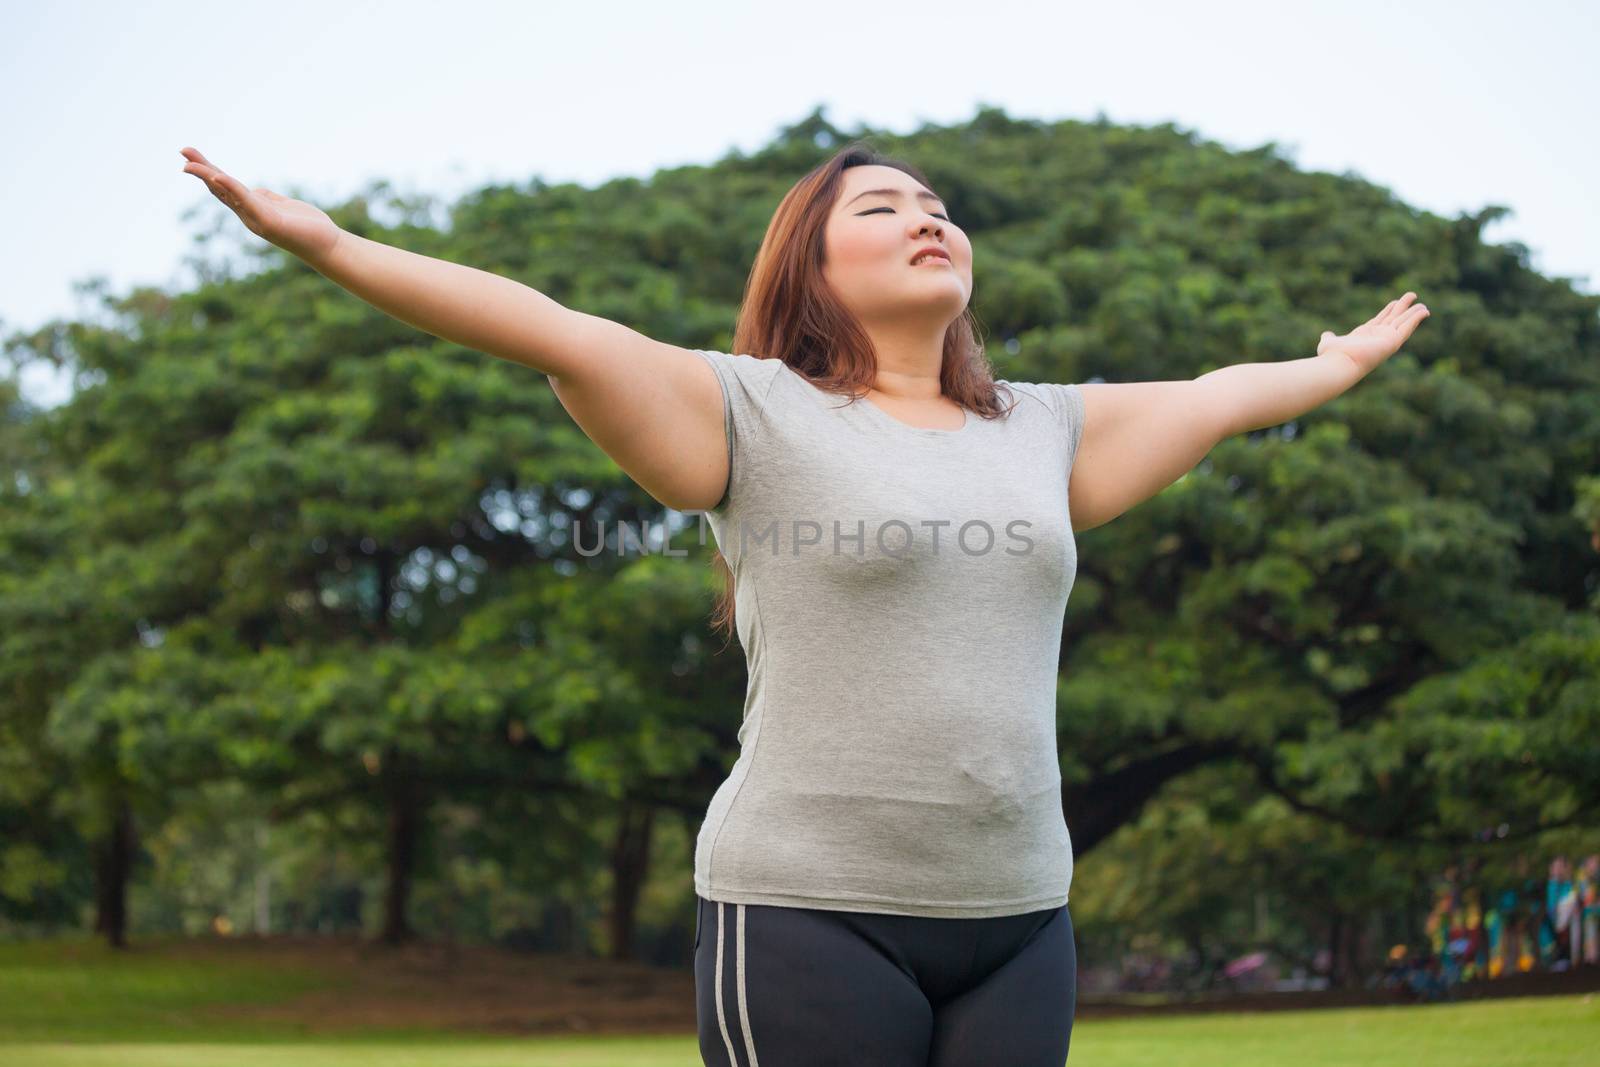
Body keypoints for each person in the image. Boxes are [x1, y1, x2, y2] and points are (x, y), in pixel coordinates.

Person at [182, 140, 1432, 1067]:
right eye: (882, 209)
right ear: (812, 265)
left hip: (1019, 917)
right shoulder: (752, 407)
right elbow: (552, 330)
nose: (925, 221)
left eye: (938, 209)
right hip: (806, 910)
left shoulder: (1041, 428)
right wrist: (333, 244)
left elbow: (1217, 394)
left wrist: (1336, 365)